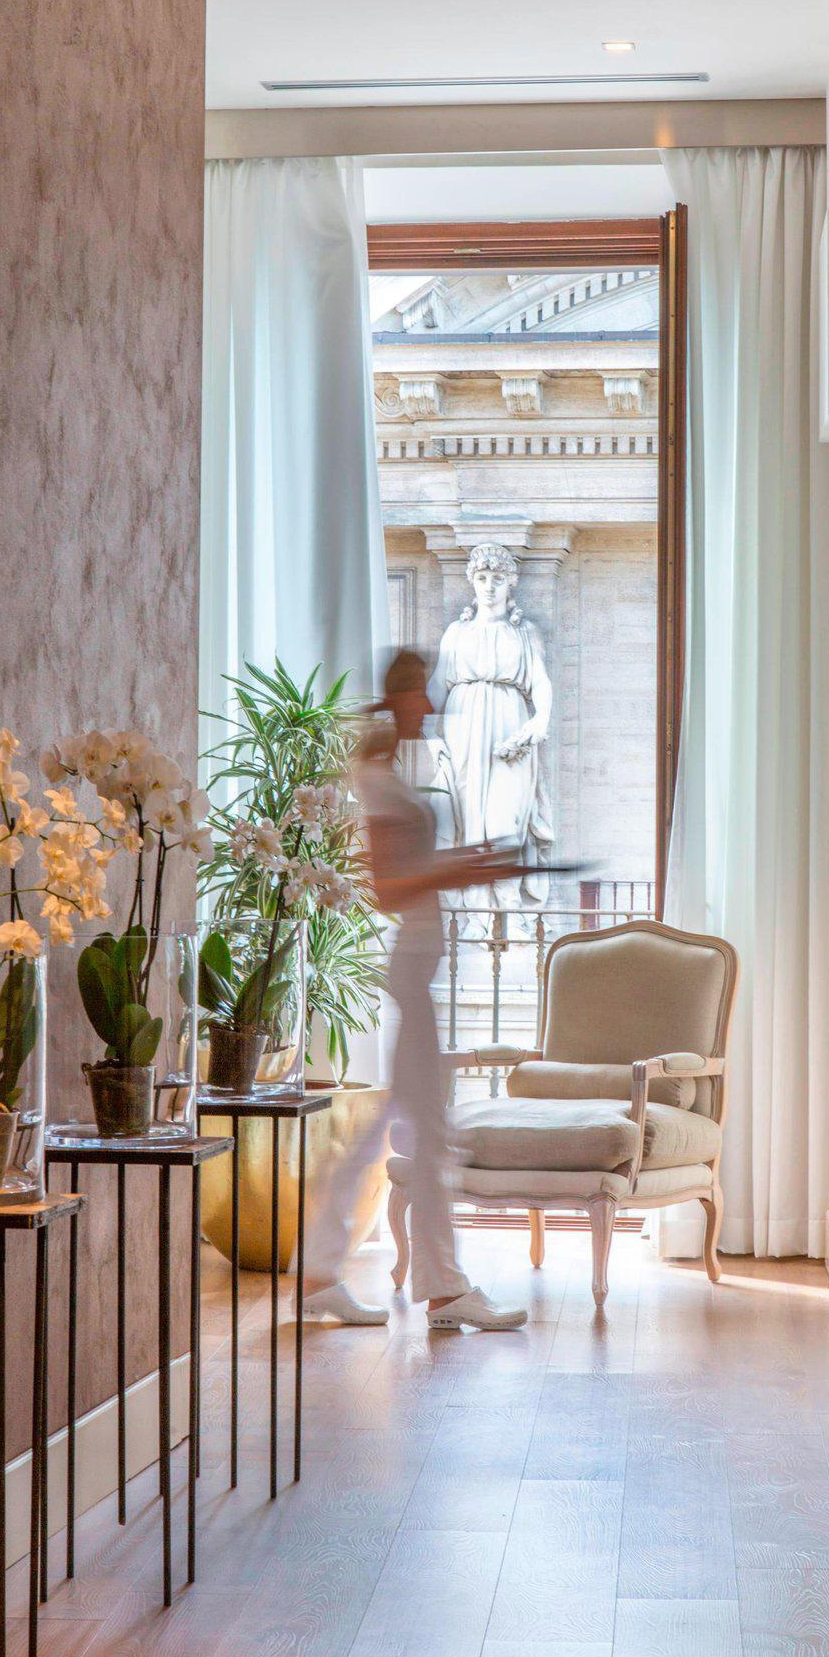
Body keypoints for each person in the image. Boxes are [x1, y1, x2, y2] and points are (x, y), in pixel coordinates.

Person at [301, 650, 528, 1332]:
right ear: (401, 696)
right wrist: (462, 872)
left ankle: (323, 1272)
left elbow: (411, 872)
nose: (431, 706)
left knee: (396, 1131)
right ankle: (442, 1288)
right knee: (430, 1133)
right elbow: (389, 887)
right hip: (411, 968)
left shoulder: (388, 775)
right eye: (422, 694)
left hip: (418, 967)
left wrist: (467, 863)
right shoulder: (376, 779)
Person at [434, 542, 554, 916]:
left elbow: (541, 681)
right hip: (463, 728)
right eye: (482, 578)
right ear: (472, 582)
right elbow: (437, 686)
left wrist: (540, 720)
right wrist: (431, 738)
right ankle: (475, 918)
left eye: (497, 579)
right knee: (467, 821)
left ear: (510, 583)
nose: (489, 586)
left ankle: (510, 911)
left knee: (505, 819)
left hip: (509, 726)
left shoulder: (525, 632)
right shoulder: (457, 632)